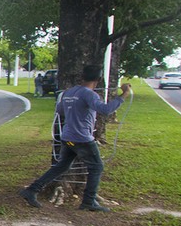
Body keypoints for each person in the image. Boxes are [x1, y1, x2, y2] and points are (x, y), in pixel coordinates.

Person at [19, 64, 130, 212]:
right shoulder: (90, 94)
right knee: (96, 167)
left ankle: (32, 190)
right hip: (82, 139)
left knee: (62, 166)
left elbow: (60, 110)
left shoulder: (68, 92)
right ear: (99, 79)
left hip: (68, 137)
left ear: (82, 76)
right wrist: (124, 94)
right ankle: (88, 201)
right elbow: (105, 110)